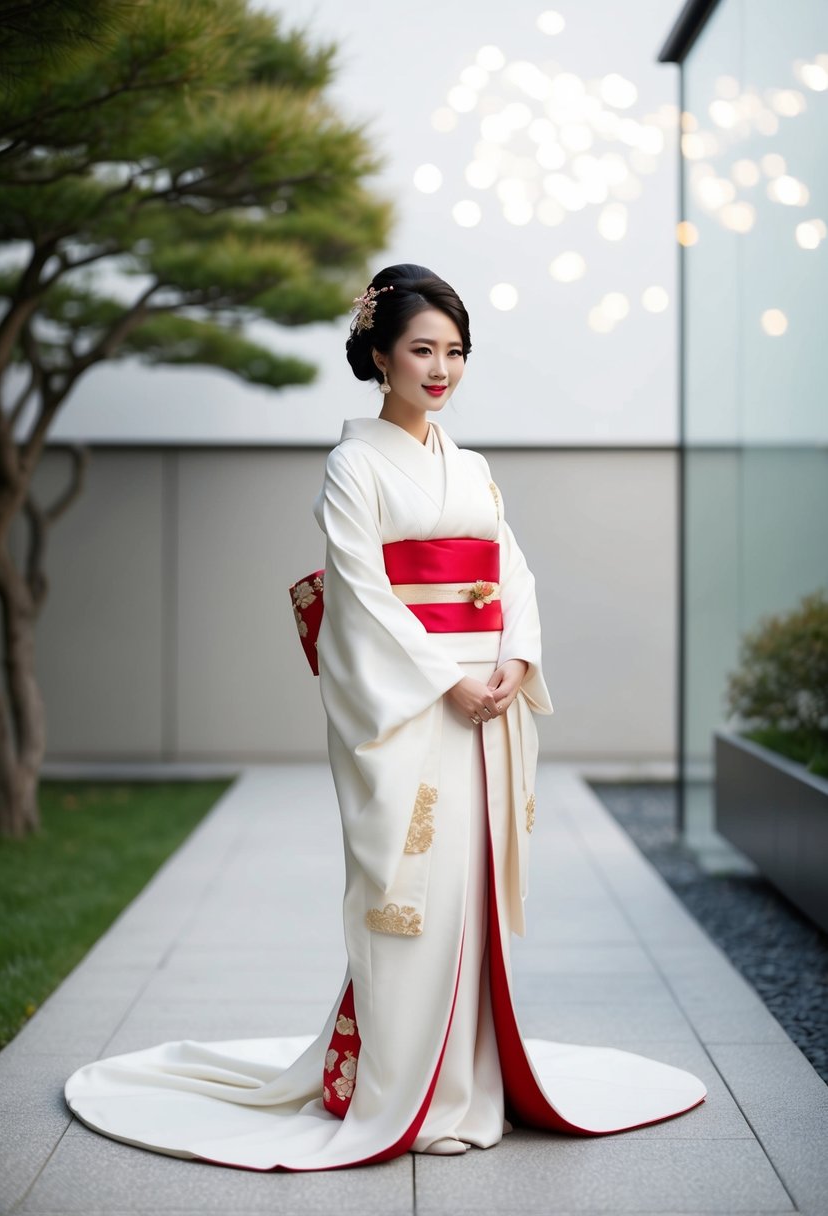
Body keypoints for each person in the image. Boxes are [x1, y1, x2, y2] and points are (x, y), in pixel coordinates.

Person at [64, 263, 706, 1169]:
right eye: (421, 350)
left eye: (454, 352)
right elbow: (361, 593)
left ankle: (471, 1082)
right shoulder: (352, 465)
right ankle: (400, 1088)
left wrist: (512, 663)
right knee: (409, 896)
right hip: (414, 707)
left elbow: (512, 576)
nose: (440, 369)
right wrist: (448, 680)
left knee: (470, 892)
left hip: (483, 700)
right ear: (378, 355)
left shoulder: (473, 469)